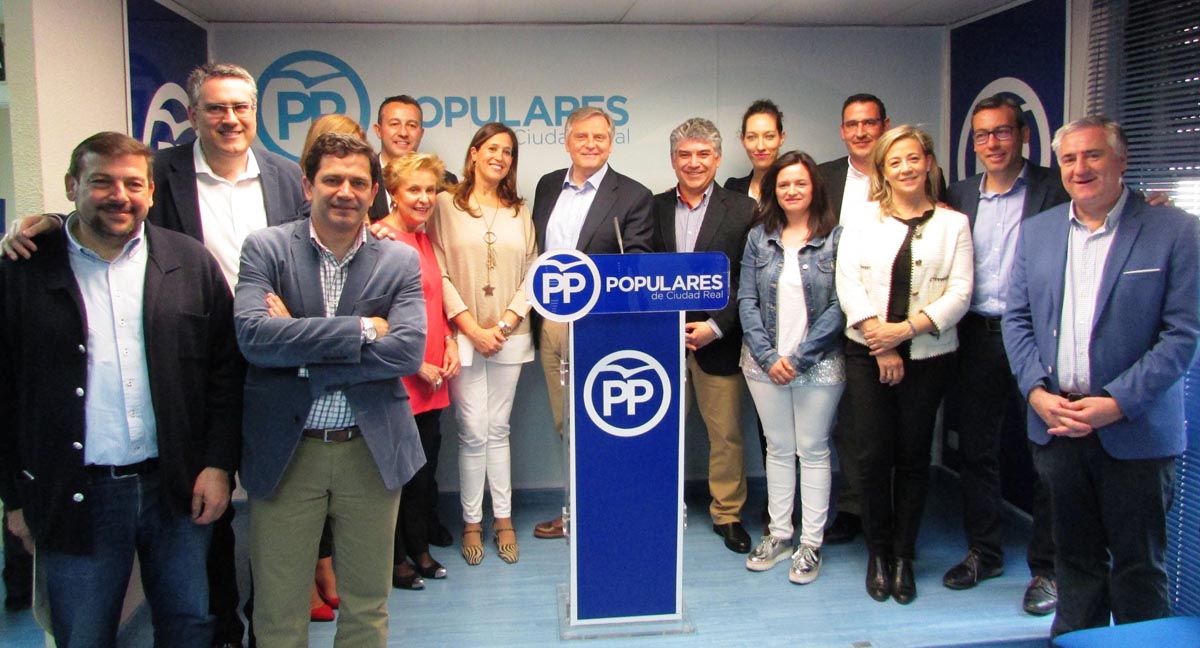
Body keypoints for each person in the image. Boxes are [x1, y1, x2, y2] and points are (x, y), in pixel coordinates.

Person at [0, 61, 305, 648]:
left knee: (194, 605)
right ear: (191, 117)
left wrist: (218, 461)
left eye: (241, 107)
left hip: (227, 411)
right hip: (94, 467)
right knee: (85, 628)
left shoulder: (284, 181)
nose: (230, 118)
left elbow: (312, 252)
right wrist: (16, 496)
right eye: (216, 107)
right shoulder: (38, 268)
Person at [1002, 116, 1200, 637]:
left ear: (1121, 160)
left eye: (1092, 155)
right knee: (1075, 565)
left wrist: (1115, 402)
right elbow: (1017, 320)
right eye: (1069, 158)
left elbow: (1180, 337)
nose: (1079, 168)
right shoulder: (1038, 232)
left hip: (1133, 433)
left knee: (1139, 569)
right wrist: (1036, 393)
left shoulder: (1174, 231)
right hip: (1058, 425)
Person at [234, 132, 425, 646]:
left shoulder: (399, 260)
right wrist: (364, 330)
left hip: (372, 451)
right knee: (279, 612)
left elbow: (407, 352)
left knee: (367, 607)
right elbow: (254, 337)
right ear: (307, 183)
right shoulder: (267, 248)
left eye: (359, 182)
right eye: (332, 179)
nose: (346, 191)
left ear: (374, 191)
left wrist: (298, 347)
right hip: (287, 456)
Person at [940, 94, 1068, 616]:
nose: (992, 143)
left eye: (1003, 132)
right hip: (975, 336)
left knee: (1048, 456)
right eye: (983, 135)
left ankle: (1048, 568)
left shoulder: (1055, 188)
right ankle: (984, 552)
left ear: (1024, 136)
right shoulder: (958, 194)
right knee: (977, 451)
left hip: (1039, 338)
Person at [835, 125, 972, 604]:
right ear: (883, 170)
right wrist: (884, 341)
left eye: (913, 159)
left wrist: (907, 331)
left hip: (929, 356)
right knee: (873, 457)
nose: (906, 168)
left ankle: (904, 555)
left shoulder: (954, 224)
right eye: (895, 162)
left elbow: (960, 293)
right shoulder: (863, 219)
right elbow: (847, 282)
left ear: (928, 163)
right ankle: (877, 552)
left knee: (913, 458)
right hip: (868, 352)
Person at [529, 106, 656, 540]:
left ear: (611, 142)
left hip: (601, 327)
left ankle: (609, 511)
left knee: (603, 421)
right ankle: (574, 511)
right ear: (567, 141)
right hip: (551, 324)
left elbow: (637, 263)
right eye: (582, 136)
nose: (590, 144)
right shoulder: (548, 187)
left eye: (600, 137)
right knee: (566, 423)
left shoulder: (633, 195)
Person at [428, 123, 537, 563]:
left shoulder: (519, 211)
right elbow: (438, 271)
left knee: (499, 428)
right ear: (473, 153)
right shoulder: (443, 205)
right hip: (463, 335)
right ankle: (471, 521)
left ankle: (504, 519)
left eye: (508, 151)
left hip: (511, 333)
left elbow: (534, 271)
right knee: (472, 431)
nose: (500, 157)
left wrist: (507, 323)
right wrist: (472, 328)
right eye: (492, 148)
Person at [738, 151, 845, 584]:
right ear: (773, 191)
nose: (791, 191)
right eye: (783, 184)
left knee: (814, 450)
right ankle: (780, 535)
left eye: (800, 183)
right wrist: (768, 357)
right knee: (779, 449)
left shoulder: (837, 238)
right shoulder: (758, 238)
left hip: (818, 365)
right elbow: (745, 298)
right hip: (763, 364)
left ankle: (811, 544)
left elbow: (842, 305)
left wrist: (799, 358)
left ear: (814, 187)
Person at [650, 118, 756, 553]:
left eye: (703, 154)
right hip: (659, 341)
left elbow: (748, 279)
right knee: (657, 430)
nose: (693, 163)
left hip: (719, 339)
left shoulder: (744, 209)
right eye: (684, 155)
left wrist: (716, 326)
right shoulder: (650, 207)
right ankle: (658, 507)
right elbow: (639, 274)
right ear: (673, 159)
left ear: (717, 158)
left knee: (726, 434)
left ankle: (727, 513)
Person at [379, 152, 460, 587]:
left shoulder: (423, 238)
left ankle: (420, 548)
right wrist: (415, 363)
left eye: (430, 190)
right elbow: (374, 320)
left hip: (434, 375)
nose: (425, 198)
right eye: (414, 189)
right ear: (393, 192)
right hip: (402, 376)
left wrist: (448, 341)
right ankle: (395, 560)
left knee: (423, 472)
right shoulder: (379, 240)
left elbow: (432, 303)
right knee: (396, 475)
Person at [370, 95, 459, 221]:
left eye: (411, 125)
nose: (403, 133)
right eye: (394, 124)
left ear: (421, 133)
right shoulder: (364, 177)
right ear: (378, 130)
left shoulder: (446, 181)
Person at [725, 100, 786, 201]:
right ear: (742, 139)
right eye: (752, 137)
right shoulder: (732, 189)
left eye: (769, 136)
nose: (760, 147)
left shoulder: (792, 190)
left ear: (781, 138)